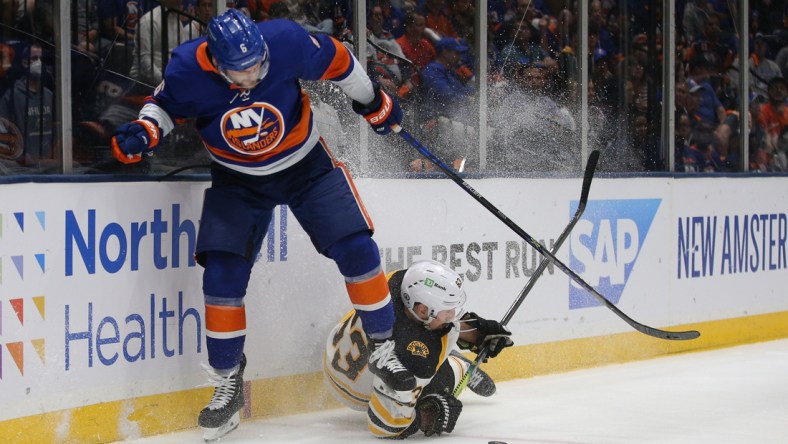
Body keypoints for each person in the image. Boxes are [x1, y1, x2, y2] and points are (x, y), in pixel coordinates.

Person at [110, 9, 407, 441]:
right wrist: (145, 131)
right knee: (222, 277)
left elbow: (340, 60)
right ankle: (228, 381)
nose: (253, 74)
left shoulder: (285, 41)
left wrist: (372, 101)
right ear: (216, 61)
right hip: (238, 180)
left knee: (357, 248)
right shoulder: (188, 68)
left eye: (258, 65)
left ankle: (383, 348)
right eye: (241, 70)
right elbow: (164, 106)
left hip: (307, 167)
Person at [324, 260, 513, 438]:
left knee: (437, 335)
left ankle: (448, 359)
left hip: (334, 352)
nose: (453, 315)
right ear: (422, 310)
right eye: (447, 310)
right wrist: (429, 415)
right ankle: (458, 366)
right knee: (439, 380)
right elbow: (384, 426)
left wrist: (476, 333)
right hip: (359, 395)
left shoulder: (397, 282)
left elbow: (430, 322)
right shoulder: (414, 360)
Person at [0, 43, 55, 171]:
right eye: (35, 58)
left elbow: (55, 127)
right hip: (21, 166)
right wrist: (19, 156)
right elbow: (3, 131)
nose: (39, 63)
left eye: (42, 59)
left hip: (47, 165)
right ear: (25, 63)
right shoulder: (12, 95)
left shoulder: (49, 95)